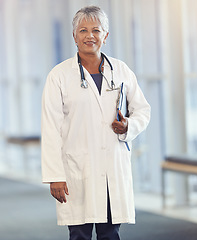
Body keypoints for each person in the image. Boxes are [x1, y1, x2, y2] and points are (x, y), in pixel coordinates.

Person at [41, 5, 151, 240]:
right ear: (74, 36)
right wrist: (54, 175)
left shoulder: (121, 71)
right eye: (83, 30)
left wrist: (128, 126)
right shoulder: (59, 76)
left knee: (111, 233)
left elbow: (142, 110)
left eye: (96, 30)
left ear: (106, 36)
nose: (90, 36)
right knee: (79, 234)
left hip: (112, 165)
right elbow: (50, 127)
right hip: (76, 169)